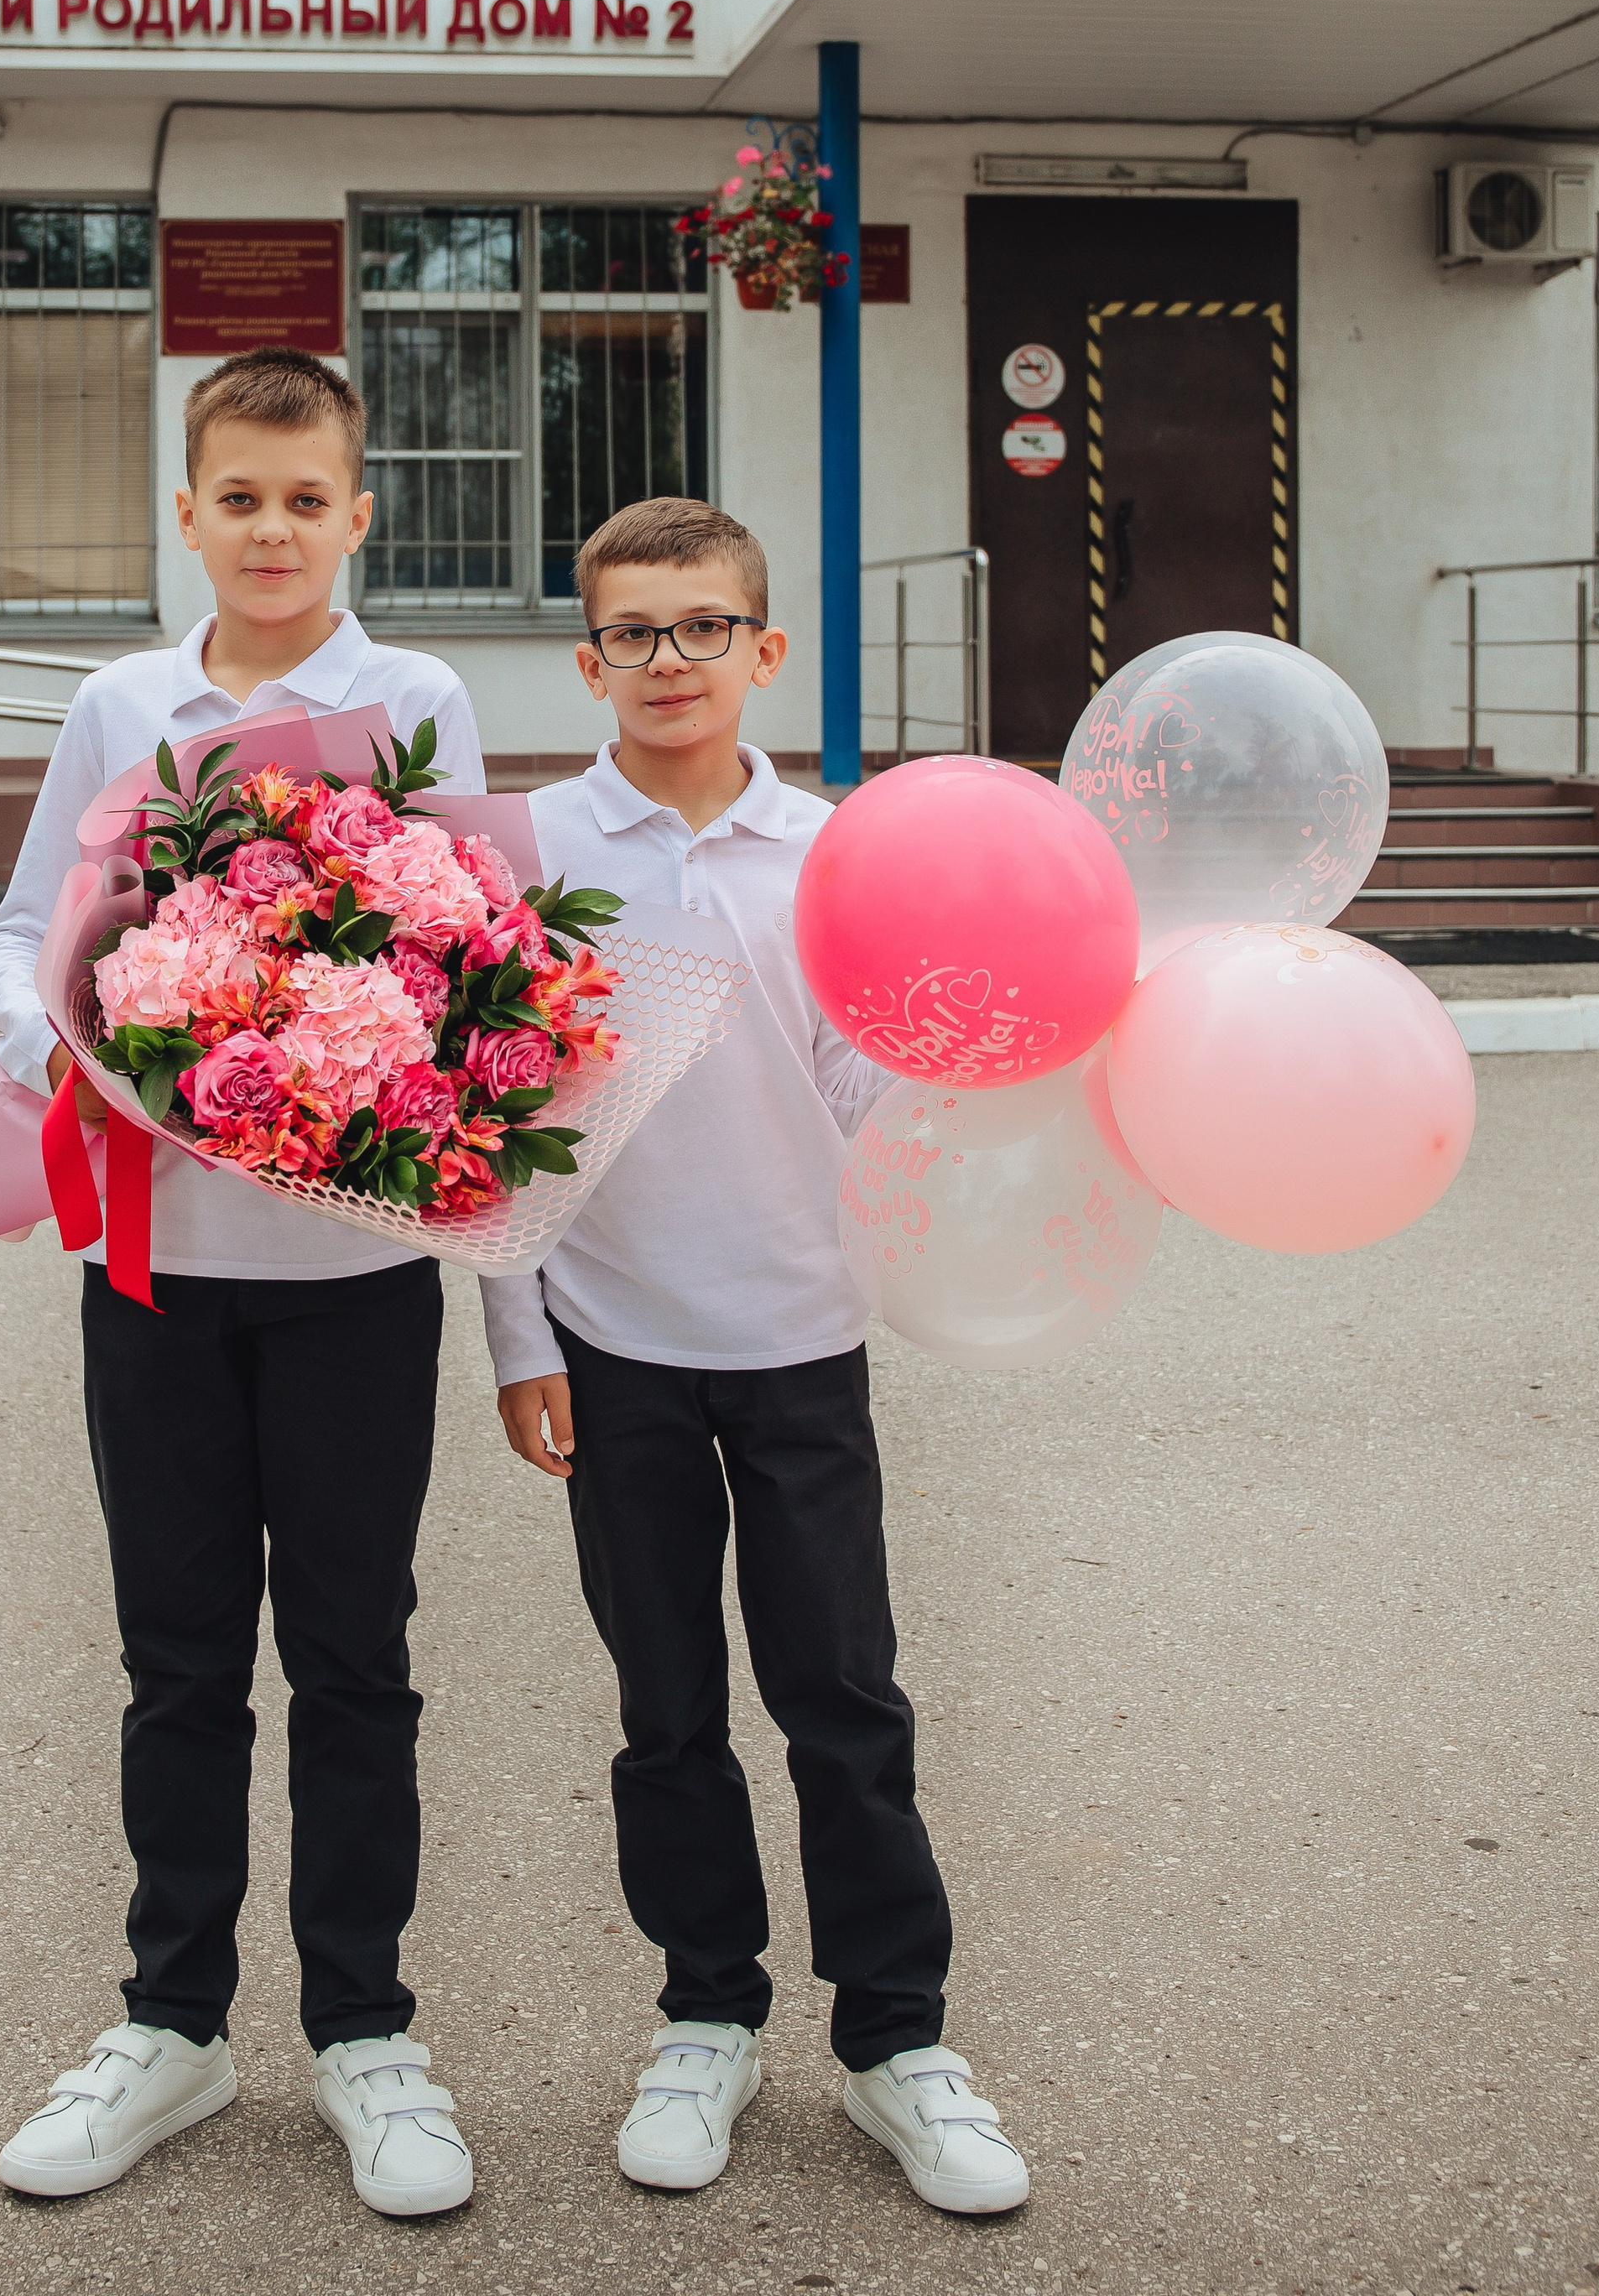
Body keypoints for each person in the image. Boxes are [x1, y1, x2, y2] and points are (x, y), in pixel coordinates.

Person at [0, 346, 482, 2222]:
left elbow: (461, 941)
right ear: (184, 514)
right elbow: (32, 920)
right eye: (238, 498)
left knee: (356, 1661)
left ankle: (365, 2032)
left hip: (352, 1268)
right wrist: (46, 1036)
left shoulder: (412, 696)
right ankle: (170, 2028)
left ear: (360, 513)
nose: (272, 530)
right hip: (159, 1271)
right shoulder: (121, 698)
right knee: (178, 1664)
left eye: (306, 498)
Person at [482, 497, 1029, 2221]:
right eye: (633, 632)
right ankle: (704, 2011)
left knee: (842, 1701)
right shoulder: (527, 853)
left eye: (701, 627)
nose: (667, 660)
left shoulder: (838, 854)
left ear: (763, 649)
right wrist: (516, 1334)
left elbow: (875, 1097)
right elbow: (490, 1120)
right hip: (609, 1339)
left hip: (799, 1340)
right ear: (587, 659)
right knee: (664, 1711)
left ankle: (893, 2039)